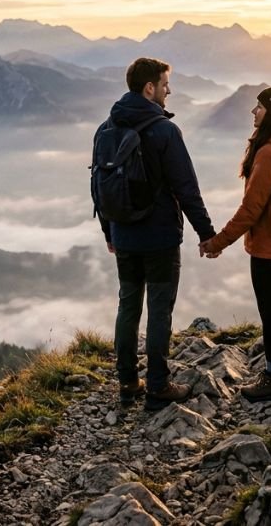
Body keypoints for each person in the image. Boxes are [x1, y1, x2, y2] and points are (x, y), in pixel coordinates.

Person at [97, 57, 216, 410]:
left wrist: (109, 231)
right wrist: (206, 233)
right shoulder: (165, 131)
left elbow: (98, 186)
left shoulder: (106, 127)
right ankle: (159, 385)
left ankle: (128, 383)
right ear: (149, 88)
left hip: (124, 236)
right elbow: (186, 188)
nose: (169, 91)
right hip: (161, 239)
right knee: (159, 310)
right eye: (165, 85)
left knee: (127, 306)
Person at [200, 85, 271, 402]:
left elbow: (251, 209)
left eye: (258, 107)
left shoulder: (270, 153)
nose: (253, 112)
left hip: (269, 245)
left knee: (270, 312)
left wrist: (218, 241)